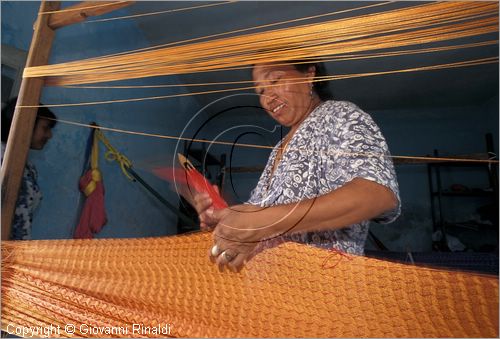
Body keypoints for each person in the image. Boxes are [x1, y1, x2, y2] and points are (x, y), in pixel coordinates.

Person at [191, 61, 400, 272]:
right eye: (261, 91)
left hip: (324, 291)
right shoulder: (278, 150)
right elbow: (261, 220)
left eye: (275, 80)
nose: (267, 98)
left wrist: (261, 222)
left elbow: (378, 195)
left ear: (309, 75)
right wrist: (228, 223)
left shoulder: (340, 115)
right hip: (270, 295)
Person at [1, 97, 57, 240]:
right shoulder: (3, 160)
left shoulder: (28, 168)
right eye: (45, 128)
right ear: (26, 124)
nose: (49, 135)